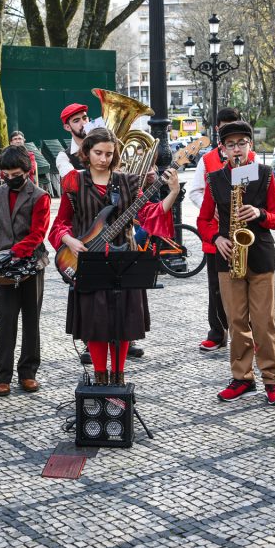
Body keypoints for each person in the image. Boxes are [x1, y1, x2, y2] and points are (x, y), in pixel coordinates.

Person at [49, 129, 180, 385]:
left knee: (122, 324)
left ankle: (119, 378)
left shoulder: (128, 181)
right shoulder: (74, 181)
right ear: (86, 152)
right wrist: (69, 240)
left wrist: (172, 193)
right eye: (98, 153)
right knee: (96, 325)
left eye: (109, 154)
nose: (103, 159)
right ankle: (99, 378)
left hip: (123, 262)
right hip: (88, 261)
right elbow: (60, 223)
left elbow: (149, 215)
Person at [197, 121, 275, 406]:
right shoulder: (215, 179)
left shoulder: (265, 175)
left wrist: (259, 214)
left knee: (264, 323)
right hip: (228, 258)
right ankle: (242, 378)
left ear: (251, 146)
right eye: (231, 145)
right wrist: (216, 238)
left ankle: (272, 380)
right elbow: (203, 220)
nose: (237, 149)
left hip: (259, 255)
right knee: (236, 323)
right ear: (222, 150)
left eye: (241, 143)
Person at [0, 145, 50, 395]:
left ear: (28, 171)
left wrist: (12, 253)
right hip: (6, 265)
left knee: (31, 320)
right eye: (5, 175)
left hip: (32, 263)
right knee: (6, 320)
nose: (10, 179)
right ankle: (2, 376)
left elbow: (38, 234)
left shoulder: (40, 195)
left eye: (15, 174)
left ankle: (28, 372)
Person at [187, 107, 245, 353]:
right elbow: (195, 192)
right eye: (224, 129)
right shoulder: (207, 159)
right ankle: (218, 332)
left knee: (246, 284)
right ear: (217, 130)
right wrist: (215, 209)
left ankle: (245, 333)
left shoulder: (249, 159)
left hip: (245, 233)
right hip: (216, 232)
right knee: (216, 286)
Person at [55, 103, 89, 178]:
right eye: (76, 121)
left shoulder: (104, 146)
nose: (83, 123)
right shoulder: (63, 157)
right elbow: (72, 178)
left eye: (84, 118)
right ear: (67, 127)